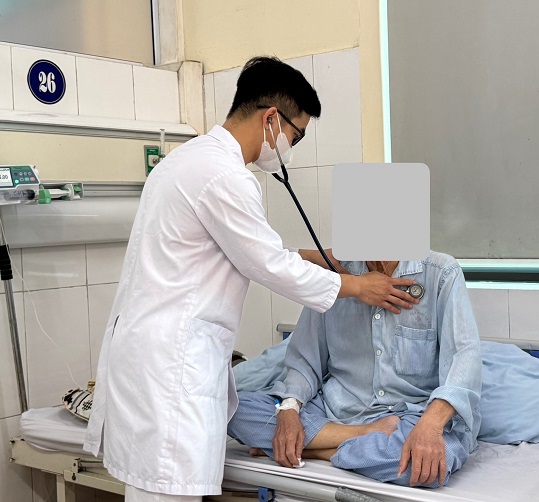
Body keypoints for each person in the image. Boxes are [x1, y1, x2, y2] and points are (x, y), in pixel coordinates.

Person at [83, 56, 419, 502]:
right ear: (271, 118)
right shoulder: (224, 176)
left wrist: (314, 256)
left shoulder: (186, 161)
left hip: (153, 353)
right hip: (172, 366)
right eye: (296, 135)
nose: (291, 148)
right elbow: (266, 265)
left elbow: (242, 252)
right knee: (167, 488)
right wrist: (359, 287)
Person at [228, 252, 482, 488]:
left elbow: (464, 358)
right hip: (336, 411)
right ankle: (361, 436)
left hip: (410, 416)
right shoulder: (334, 277)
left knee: (434, 463)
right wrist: (289, 409)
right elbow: (305, 359)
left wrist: (430, 426)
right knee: (228, 407)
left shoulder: (441, 272)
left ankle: (315, 450)